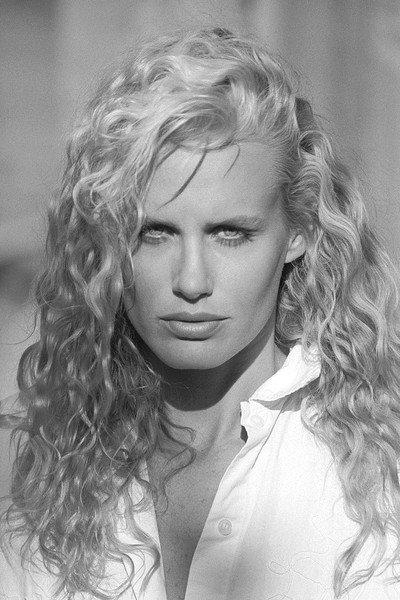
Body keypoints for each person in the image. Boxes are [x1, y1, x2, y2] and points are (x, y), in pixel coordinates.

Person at [1, 26, 400, 600]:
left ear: (299, 232)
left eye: (230, 233)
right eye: (154, 233)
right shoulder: (50, 482)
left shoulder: (379, 477)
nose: (191, 282)